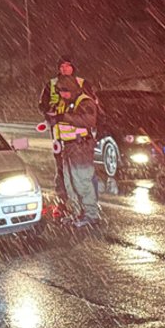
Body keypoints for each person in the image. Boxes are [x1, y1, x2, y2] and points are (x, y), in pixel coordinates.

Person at [39, 56, 96, 197]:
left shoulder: (82, 83)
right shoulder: (51, 84)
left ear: (73, 68)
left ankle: (83, 197)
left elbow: (91, 105)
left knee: (81, 168)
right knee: (61, 161)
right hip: (58, 131)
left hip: (78, 133)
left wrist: (68, 116)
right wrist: (50, 114)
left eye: (67, 66)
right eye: (62, 66)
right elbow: (42, 104)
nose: (64, 69)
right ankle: (64, 191)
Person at [55, 86, 101, 228]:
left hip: (81, 147)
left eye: (65, 91)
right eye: (60, 92)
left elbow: (88, 121)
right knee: (70, 183)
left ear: (72, 90)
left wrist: (64, 117)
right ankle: (76, 213)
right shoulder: (65, 102)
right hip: (69, 147)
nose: (62, 94)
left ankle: (91, 215)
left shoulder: (85, 102)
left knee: (82, 182)